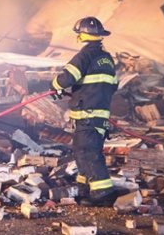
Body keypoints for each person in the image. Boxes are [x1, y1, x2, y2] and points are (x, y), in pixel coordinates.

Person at [50, 16, 119, 206]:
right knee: (83, 153)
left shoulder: (85, 54)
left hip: (87, 116)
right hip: (99, 117)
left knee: (88, 154)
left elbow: (67, 77)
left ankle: (103, 195)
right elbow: (113, 85)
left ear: (82, 35)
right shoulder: (107, 58)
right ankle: (85, 191)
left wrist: (54, 85)